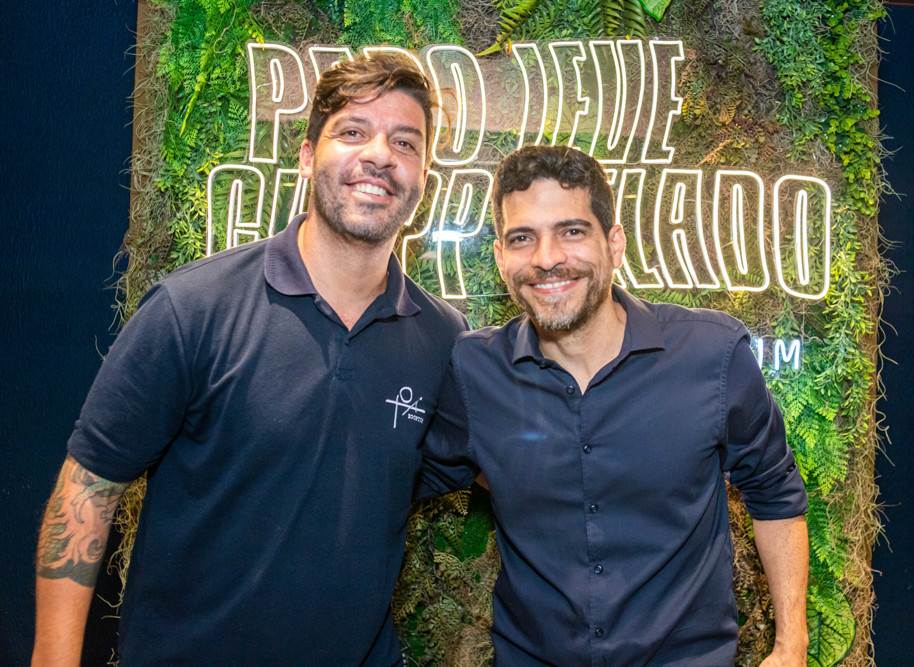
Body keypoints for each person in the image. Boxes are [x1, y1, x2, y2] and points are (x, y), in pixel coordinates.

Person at [33, 52, 468, 665]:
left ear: (424, 174)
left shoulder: (443, 338)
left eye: (405, 142)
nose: (380, 155)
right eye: (352, 131)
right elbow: (89, 488)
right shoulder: (193, 307)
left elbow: (449, 465)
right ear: (307, 155)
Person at [419, 145, 810, 666]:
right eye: (522, 238)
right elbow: (413, 474)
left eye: (571, 231)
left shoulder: (712, 355)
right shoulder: (474, 370)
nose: (546, 258)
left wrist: (791, 647)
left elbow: (775, 492)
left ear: (615, 244)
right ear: (499, 257)